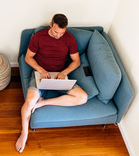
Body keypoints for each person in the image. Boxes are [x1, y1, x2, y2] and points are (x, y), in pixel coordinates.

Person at [15, 14, 88, 153]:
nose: (59, 35)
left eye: (62, 32)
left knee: (82, 97)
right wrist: (41, 70)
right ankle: (24, 133)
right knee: (29, 101)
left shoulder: (69, 39)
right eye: (56, 32)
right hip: (40, 74)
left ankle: (43, 102)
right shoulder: (38, 37)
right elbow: (28, 58)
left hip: (59, 76)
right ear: (50, 24)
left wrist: (64, 73)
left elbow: (76, 61)